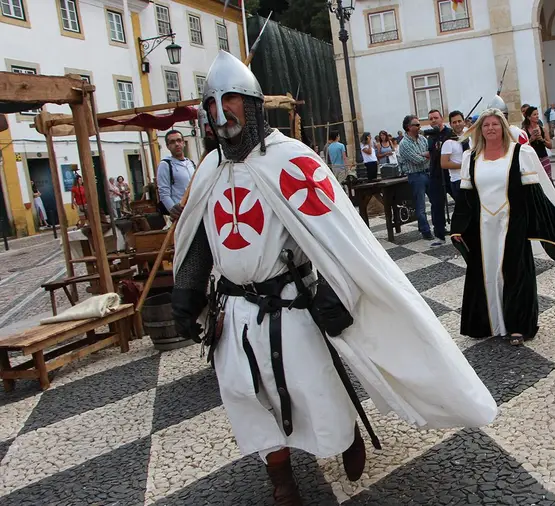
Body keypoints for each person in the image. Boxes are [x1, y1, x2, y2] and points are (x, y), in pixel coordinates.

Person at [171, 50, 498, 505]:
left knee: (314, 385)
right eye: (211, 103)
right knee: (246, 393)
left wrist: (336, 286)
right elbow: (199, 241)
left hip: (288, 303)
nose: (219, 111)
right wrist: (186, 292)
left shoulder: (289, 160)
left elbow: (336, 234)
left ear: (252, 105)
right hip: (236, 310)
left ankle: (344, 439)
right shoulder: (210, 169)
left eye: (230, 100)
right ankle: (280, 476)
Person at [450, 108, 555, 346]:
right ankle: (486, 323)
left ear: (503, 127)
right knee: (483, 273)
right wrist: (458, 227)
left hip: (512, 224)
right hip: (481, 226)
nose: (491, 128)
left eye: (495, 124)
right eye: (486, 125)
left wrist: (547, 226)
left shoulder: (519, 153)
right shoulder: (470, 158)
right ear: (480, 130)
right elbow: (465, 199)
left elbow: (533, 194)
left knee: (515, 273)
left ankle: (518, 325)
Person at [397, 115, 434, 241]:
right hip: (416, 175)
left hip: (428, 172)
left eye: (419, 124)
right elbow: (417, 160)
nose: (419, 127)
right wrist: (425, 156)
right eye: (416, 125)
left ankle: (438, 226)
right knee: (420, 205)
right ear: (409, 127)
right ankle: (425, 230)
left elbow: (431, 153)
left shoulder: (423, 139)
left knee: (435, 201)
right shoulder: (404, 144)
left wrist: (425, 155)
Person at [425, 109, 453, 246]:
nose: (433, 120)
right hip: (435, 174)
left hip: (450, 173)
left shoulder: (450, 134)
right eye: (430, 119)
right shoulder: (431, 137)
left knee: (461, 200)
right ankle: (439, 234)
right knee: (436, 205)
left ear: (442, 118)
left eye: (436, 117)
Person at [157, 130, 196, 221]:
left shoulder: (191, 163)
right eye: (172, 142)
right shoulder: (165, 165)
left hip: (195, 211)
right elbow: (164, 193)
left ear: (183, 143)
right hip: (181, 214)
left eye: (179, 140)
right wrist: (173, 210)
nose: (177, 144)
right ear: (168, 146)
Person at [440, 110, 468, 200]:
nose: (457, 124)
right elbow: (444, 164)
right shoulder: (448, 142)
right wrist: (464, 165)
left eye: (459, 121)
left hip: (472, 177)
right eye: (454, 122)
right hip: (458, 180)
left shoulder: (470, 138)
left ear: (464, 122)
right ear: (451, 124)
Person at [522, 106, 552, 179]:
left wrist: (542, 139)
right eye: (534, 114)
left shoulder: (543, 129)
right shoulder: (524, 130)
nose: (537, 116)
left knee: (548, 179)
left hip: (543, 157)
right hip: (532, 159)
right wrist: (531, 139)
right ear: (529, 117)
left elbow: (550, 145)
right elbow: (522, 146)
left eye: (537, 114)